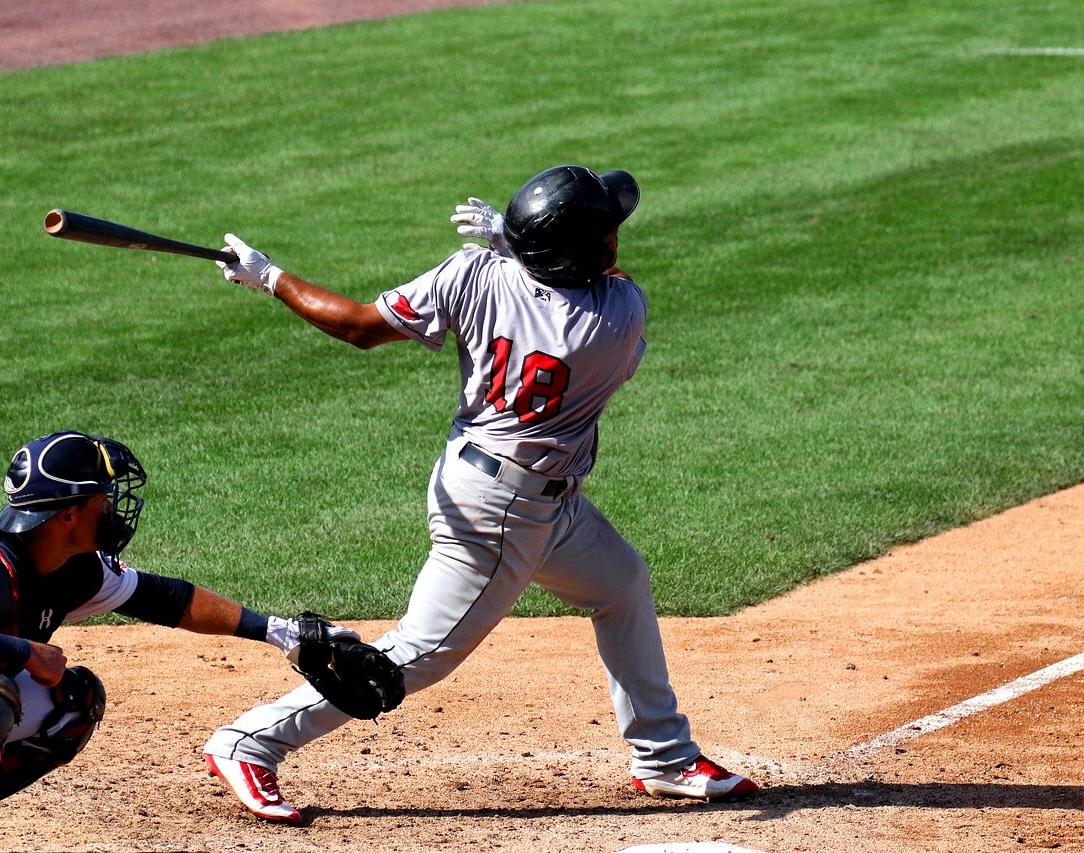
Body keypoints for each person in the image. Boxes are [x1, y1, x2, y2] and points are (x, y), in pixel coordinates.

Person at [201, 164, 760, 825]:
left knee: (621, 583)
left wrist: (269, 275)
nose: (617, 234)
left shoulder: (470, 273)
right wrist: (515, 241)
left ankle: (663, 755)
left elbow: (357, 324)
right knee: (419, 655)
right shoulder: (614, 317)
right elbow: (591, 278)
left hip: (512, 493)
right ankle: (251, 740)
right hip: (505, 515)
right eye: (608, 229)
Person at [0, 430, 356, 852]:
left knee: (73, 702)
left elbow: (165, 598)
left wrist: (279, 632)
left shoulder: (70, 567)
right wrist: (26, 652)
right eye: (105, 497)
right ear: (68, 514)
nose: (115, 507)